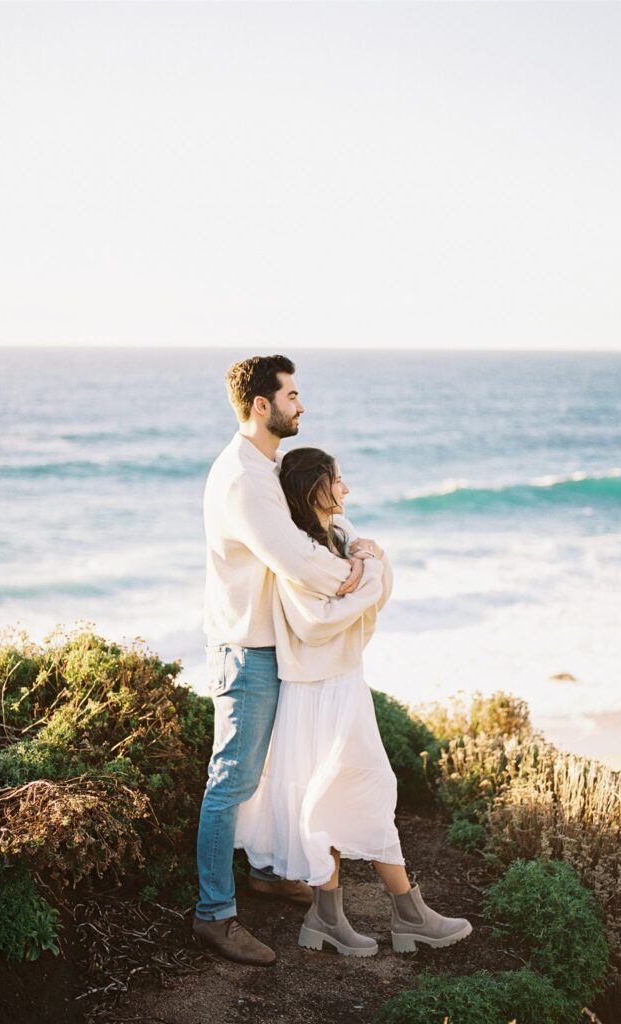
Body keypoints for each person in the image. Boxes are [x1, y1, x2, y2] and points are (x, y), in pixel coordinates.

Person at [234, 447, 473, 956]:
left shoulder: (339, 539)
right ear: (311, 491)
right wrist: (370, 566)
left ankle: (333, 917)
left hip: (344, 683)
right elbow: (318, 621)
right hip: (315, 692)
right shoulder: (297, 552)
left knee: (347, 792)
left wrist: (368, 568)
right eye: (336, 480)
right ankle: (404, 915)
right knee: (353, 789)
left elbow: (378, 590)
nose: (346, 489)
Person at [193, 354, 369, 966]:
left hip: (272, 644)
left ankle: (266, 874)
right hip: (247, 648)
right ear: (261, 405)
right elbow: (293, 556)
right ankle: (214, 915)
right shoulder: (243, 477)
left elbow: (302, 528)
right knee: (231, 781)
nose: (302, 405)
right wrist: (348, 574)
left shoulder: (264, 470)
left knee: (269, 776)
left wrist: (344, 540)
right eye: (292, 395)